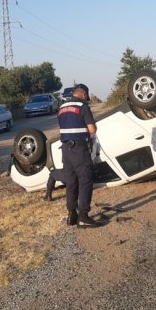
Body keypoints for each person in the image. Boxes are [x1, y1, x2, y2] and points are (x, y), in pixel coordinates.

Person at [56, 83, 101, 228]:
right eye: (86, 96)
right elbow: (92, 129)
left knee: (71, 182)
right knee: (86, 180)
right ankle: (83, 216)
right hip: (79, 149)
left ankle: (72, 215)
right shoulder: (82, 106)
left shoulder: (62, 107)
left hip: (66, 149)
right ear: (83, 94)